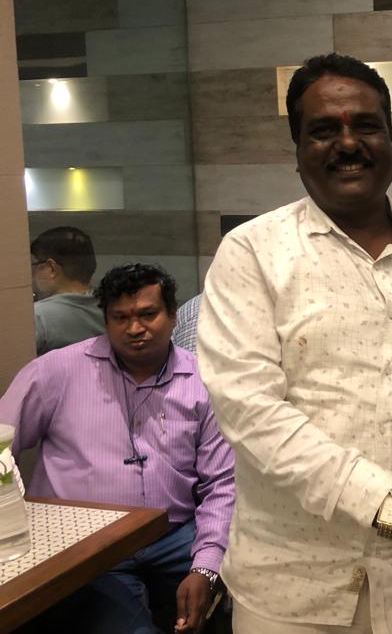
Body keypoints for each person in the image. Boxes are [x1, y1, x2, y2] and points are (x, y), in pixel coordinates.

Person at [197, 53, 392, 634]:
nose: (348, 143)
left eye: (366, 125)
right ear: (297, 152)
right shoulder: (252, 253)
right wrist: (389, 503)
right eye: (323, 130)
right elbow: (250, 412)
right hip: (294, 591)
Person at [0, 263, 235, 634]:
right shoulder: (55, 372)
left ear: (173, 316)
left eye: (148, 314)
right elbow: (1, 445)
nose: (135, 328)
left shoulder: (204, 381)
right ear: (105, 320)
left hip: (175, 535)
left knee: (239, 595)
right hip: (87, 544)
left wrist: (205, 567)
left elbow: (221, 485)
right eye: (120, 317)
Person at [29, 225, 104, 354]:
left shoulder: (37, 317)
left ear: (51, 268)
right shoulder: (113, 309)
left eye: (33, 265)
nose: (31, 274)